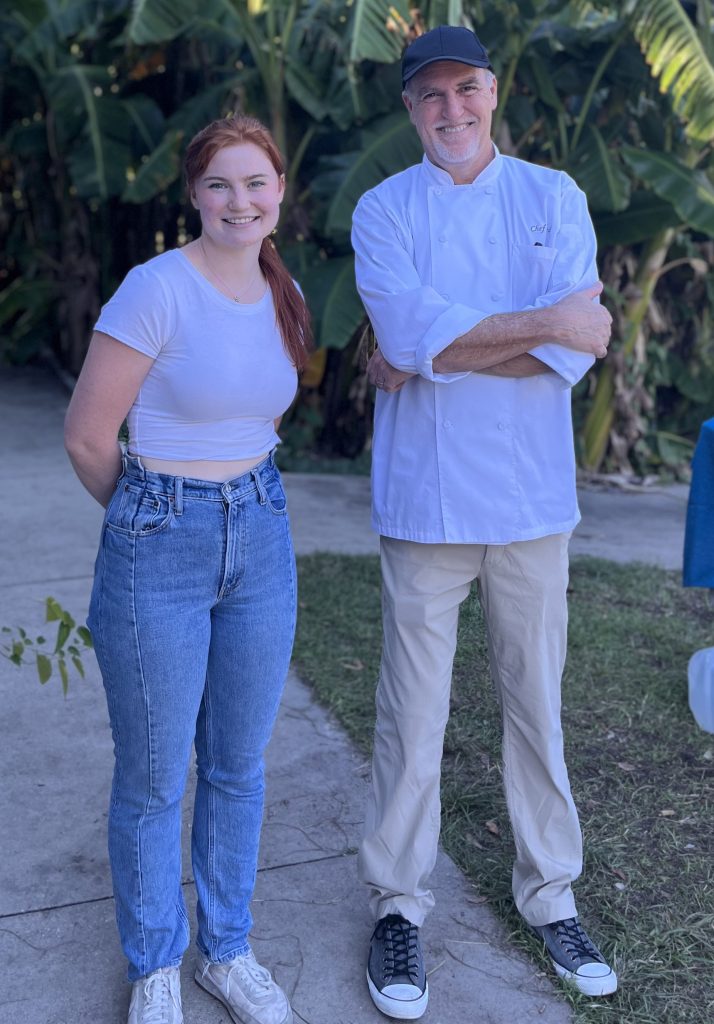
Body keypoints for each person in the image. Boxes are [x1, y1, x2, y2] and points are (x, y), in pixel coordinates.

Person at [351, 25, 617, 1019]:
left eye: (466, 90)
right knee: (410, 719)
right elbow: (416, 333)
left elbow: (570, 350)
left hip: (531, 498)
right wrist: (543, 321)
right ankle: (396, 907)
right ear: (410, 108)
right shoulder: (383, 211)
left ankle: (552, 895)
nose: (450, 110)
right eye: (430, 96)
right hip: (424, 501)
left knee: (535, 704)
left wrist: (440, 346)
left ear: (493, 94)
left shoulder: (554, 196)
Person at [64, 115, 311, 1024]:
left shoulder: (280, 288)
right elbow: (90, 440)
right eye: (218, 184)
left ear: (280, 192)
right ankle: (157, 962)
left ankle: (228, 951)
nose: (238, 201)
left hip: (263, 532)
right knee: (155, 775)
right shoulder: (154, 288)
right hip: (159, 539)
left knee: (239, 766)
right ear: (193, 196)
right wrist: (152, 526)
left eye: (255, 183)